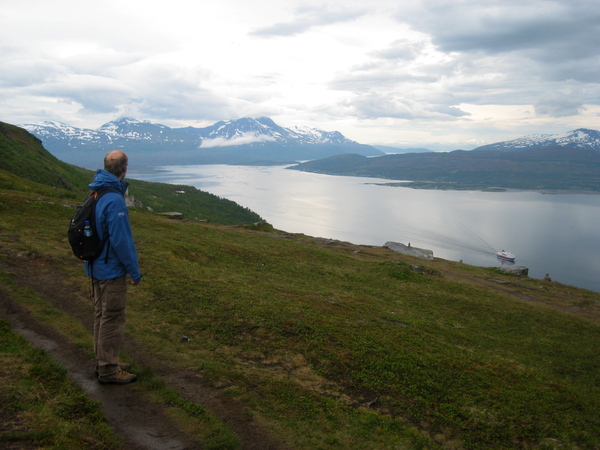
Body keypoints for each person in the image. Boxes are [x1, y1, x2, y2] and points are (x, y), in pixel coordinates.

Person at [86, 150, 142, 385]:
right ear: (125, 169)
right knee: (113, 318)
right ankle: (109, 370)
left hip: (96, 265)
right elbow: (121, 241)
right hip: (110, 269)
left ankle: (105, 361)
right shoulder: (114, 199)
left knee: (102, 315)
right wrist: (134, 271)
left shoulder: (96, 191)